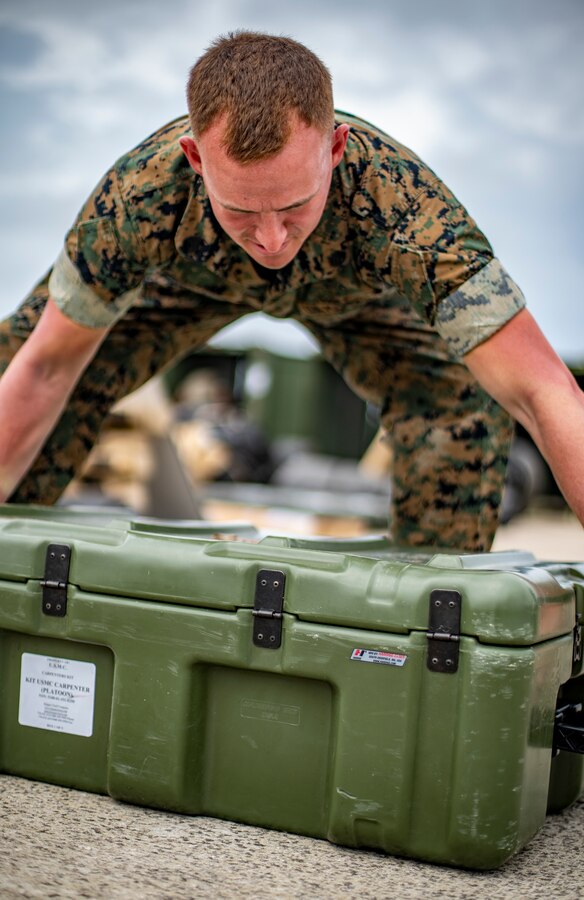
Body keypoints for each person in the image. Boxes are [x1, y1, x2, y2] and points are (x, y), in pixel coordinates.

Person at [0, 30, 582, 550]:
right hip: (186, 287)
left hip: (358, 299)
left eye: (296, 205)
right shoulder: (138, 199)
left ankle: (426, 632)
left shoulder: (404, 206)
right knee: (20, 362)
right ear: (196, 160)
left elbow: (543, 390)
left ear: (335, 150)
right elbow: (44, 369)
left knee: (459, 402)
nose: (273, 240)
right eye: (241, 210)